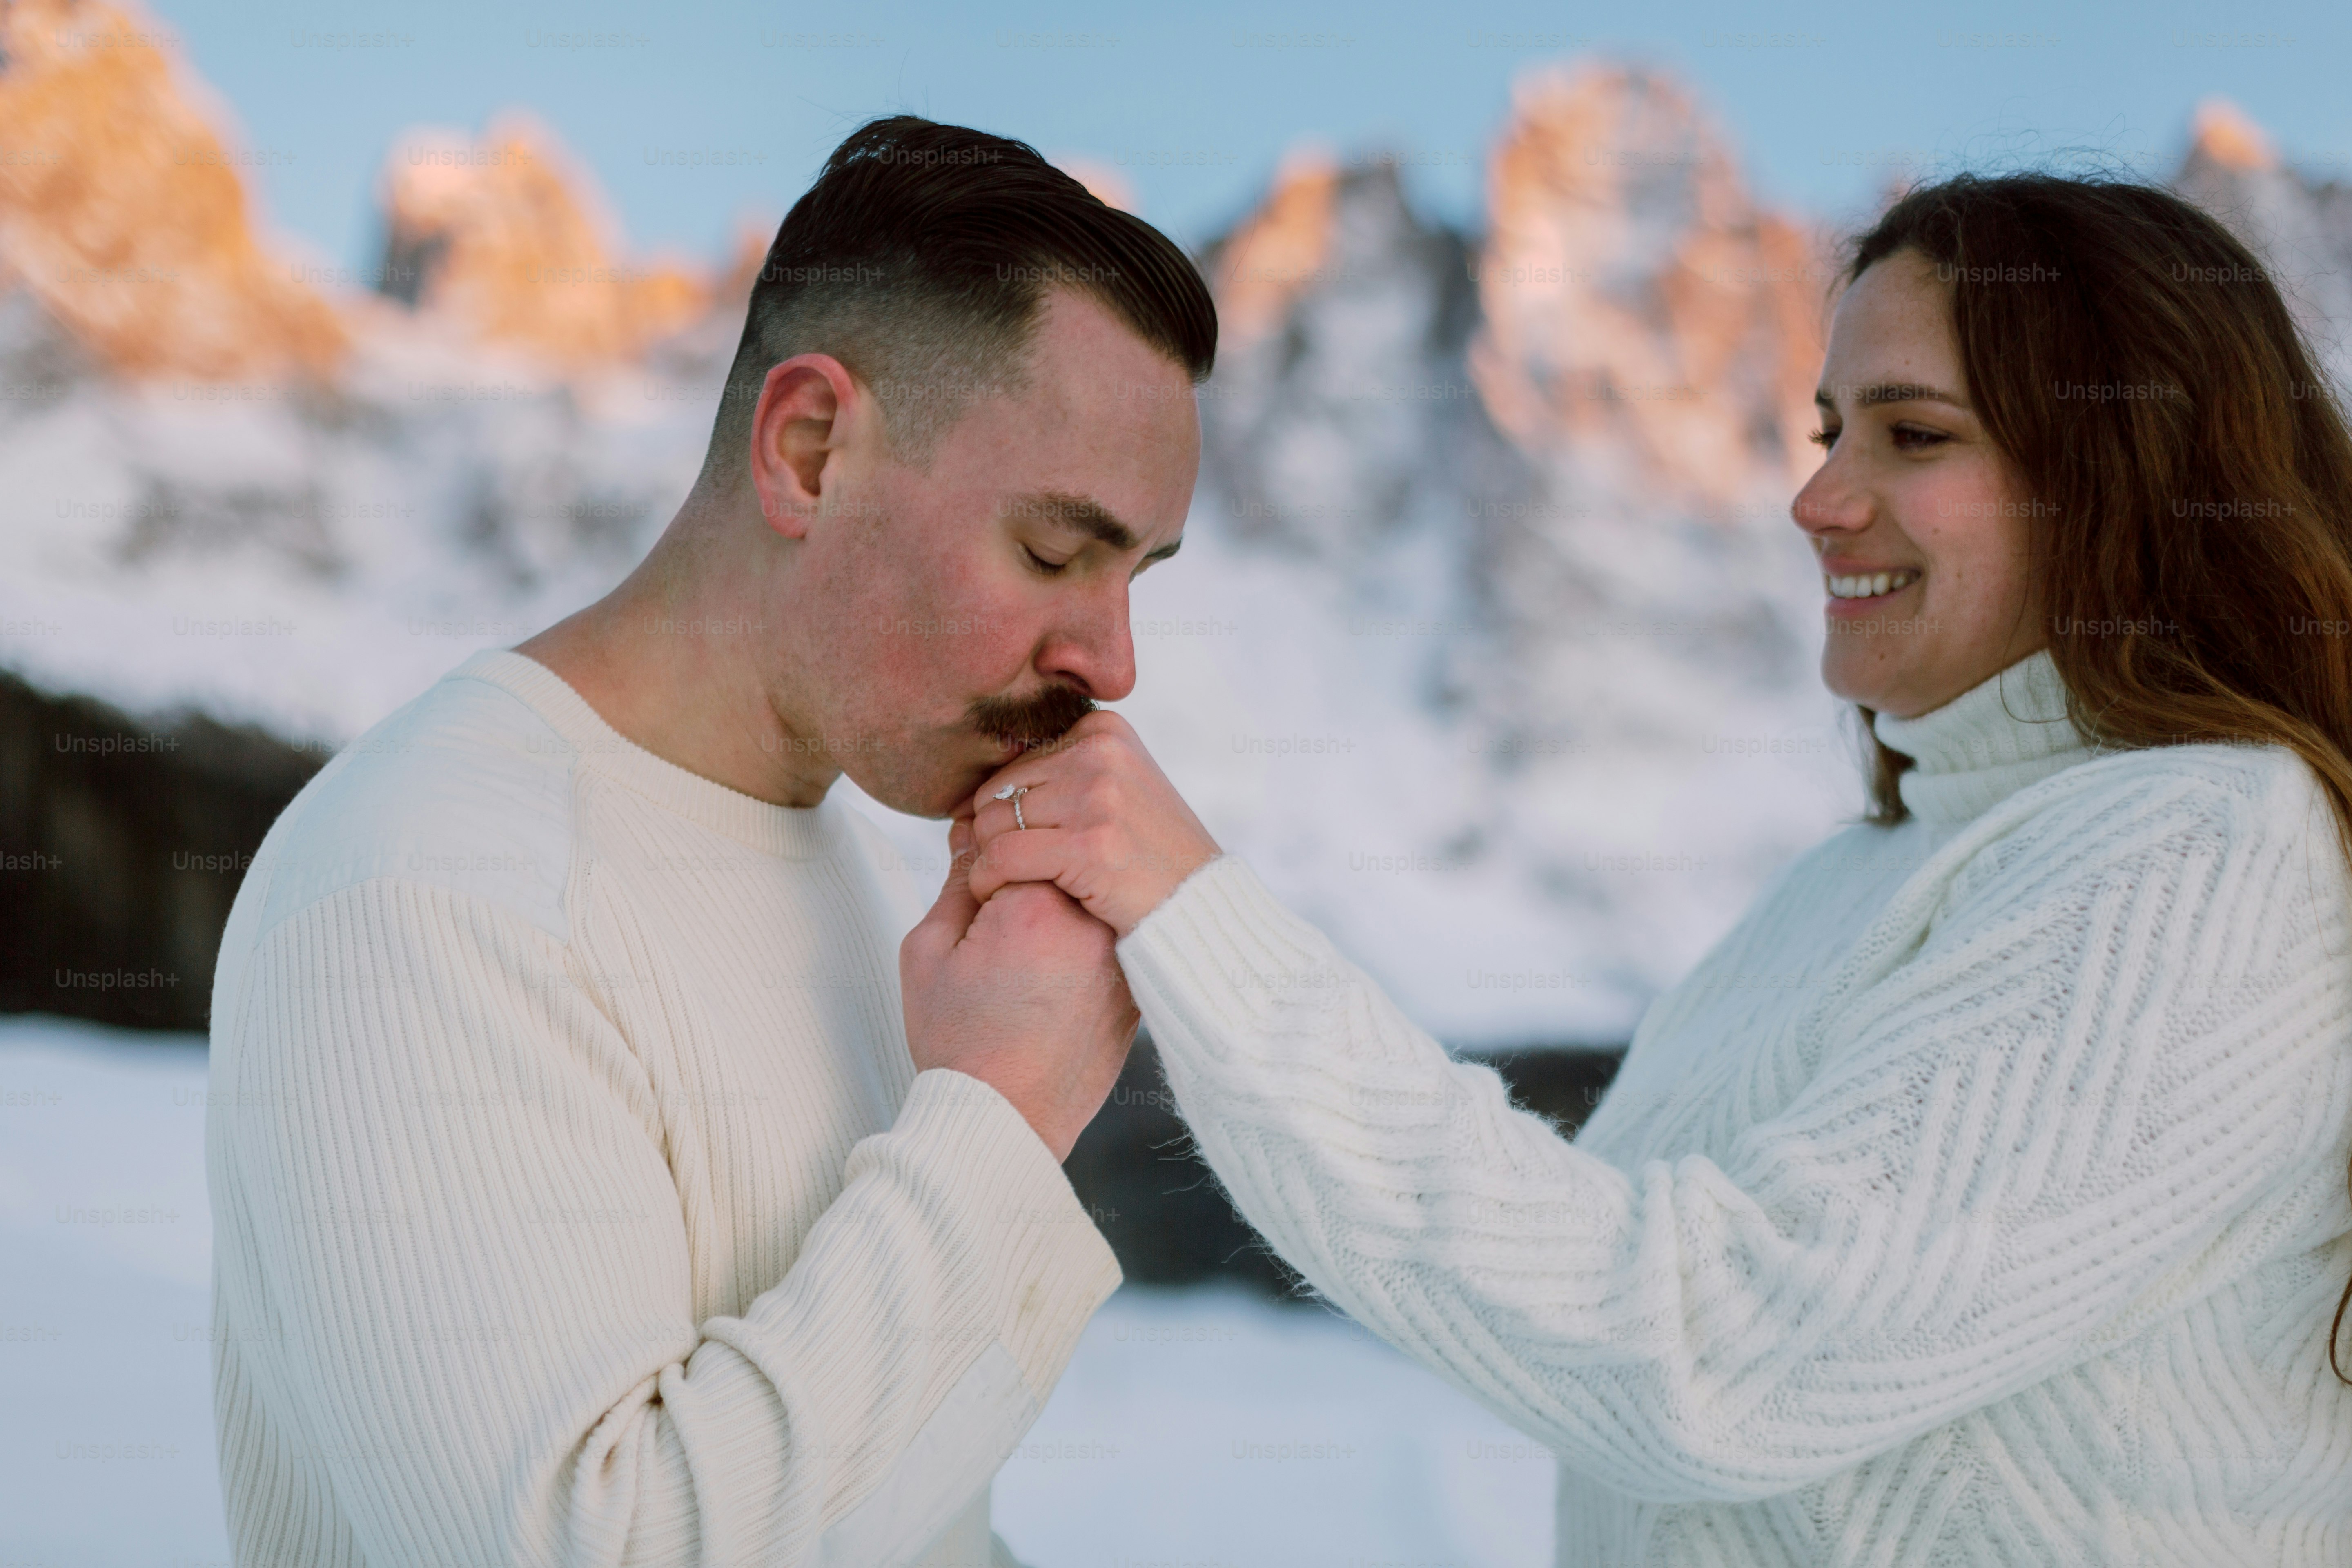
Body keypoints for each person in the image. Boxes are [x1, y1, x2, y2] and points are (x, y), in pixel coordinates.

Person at [958, 172, 2352, 1562]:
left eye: (1912, 435)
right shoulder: (1865, 873)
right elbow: (1571, 1291)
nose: (1816, 498)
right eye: (1826, 431)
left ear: (2128, 470)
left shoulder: (2199, 853)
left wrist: (1194, 915)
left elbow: (1709, 1352)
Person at [203, 116, 1211, 1568]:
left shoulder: (825, 859)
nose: (1112, 663)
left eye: (1138, 577)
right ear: (808, 451)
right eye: (1056, 553)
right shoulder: (426, 886)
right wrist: (995, 1127)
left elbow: (893, 1510)